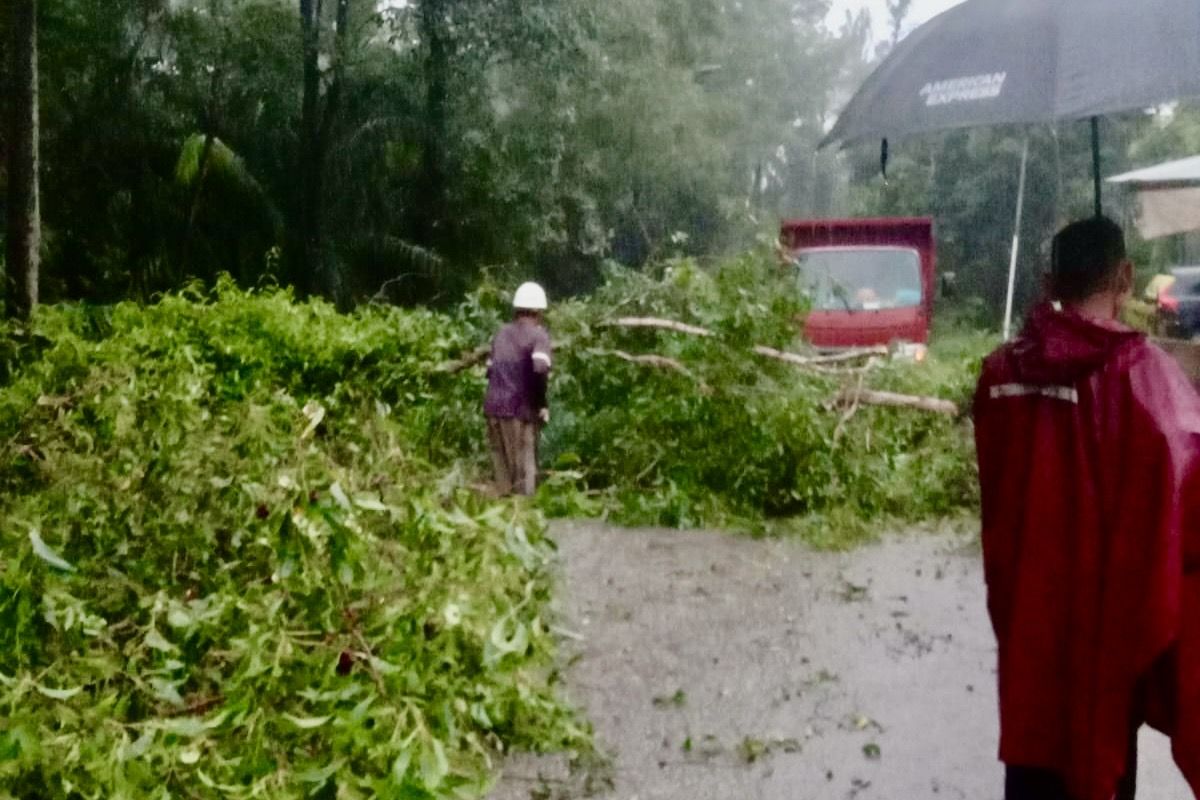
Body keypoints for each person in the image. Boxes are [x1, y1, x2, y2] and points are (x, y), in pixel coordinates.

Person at [973, 216, 1200, 800]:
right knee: (1097, 769)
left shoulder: (999, 376)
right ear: (1125, 276)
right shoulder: (1145, 378)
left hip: (1028, 629)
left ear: (1048, 281)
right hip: (1106, 639)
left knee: (1031, 762)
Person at [484, 282, 552, 496]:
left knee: (502, 475)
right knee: (523, 476)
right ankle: (525, 519)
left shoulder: (500, 334)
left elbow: (489, 370)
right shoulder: (539, 335)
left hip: (493, 408)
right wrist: (541, 404)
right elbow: (540, 370)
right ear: (538, 311)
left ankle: (505, 522)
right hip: (519, 412)